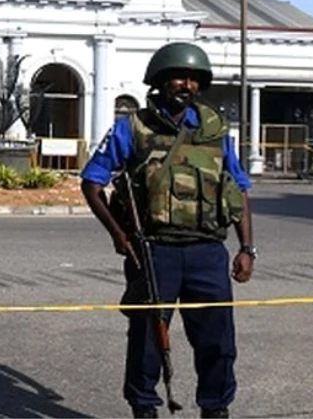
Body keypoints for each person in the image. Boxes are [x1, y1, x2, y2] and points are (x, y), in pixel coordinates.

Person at [80, 42, 256, 419]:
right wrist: (118, 235)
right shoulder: (133, 128)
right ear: (159, 81)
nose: (186, 85)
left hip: (208, 253)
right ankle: (144, 408)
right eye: (178, 76)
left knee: (218, 341)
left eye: (194, 79)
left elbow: (238, 187)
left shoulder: (215, 130)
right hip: (155, 252)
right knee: (147, 341)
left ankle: (216, 408)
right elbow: (92, 183)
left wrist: (247, 248)